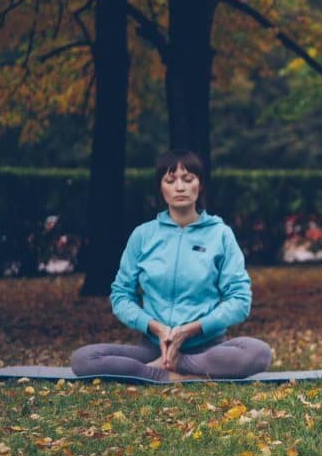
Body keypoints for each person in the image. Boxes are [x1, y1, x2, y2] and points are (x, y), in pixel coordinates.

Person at [71, 150, 272, 381]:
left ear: (200, 185)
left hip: (208, 349)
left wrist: (191, 329)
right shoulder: (143, 235)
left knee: (259, 353)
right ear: (161, 187)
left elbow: (239, 300)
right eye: (170, 180)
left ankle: (175, 365)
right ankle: (166, 373)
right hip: (154, 347)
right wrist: (156, 327)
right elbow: (121, 295)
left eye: (188, 180)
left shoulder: (221, 235)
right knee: (83, 358)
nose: (180, 187)